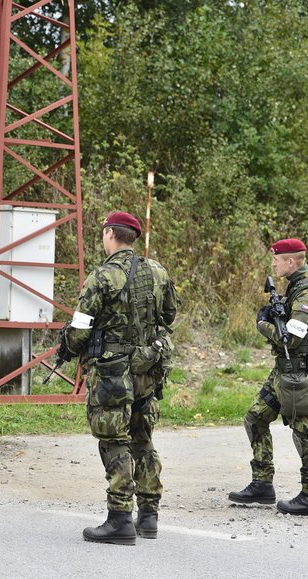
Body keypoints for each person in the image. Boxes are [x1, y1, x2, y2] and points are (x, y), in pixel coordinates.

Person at [59, 211, 178, 545]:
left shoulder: (102, 276)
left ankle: (120, 518)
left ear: (110, 234)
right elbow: (169, 314)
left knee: (114, 439)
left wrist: (68, 345)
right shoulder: (158, 271)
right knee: (143, 438)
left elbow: (80, 328)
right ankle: (149, 515)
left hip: (113, 373)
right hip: (148, 370)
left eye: (103, 233)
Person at [229, 238, 308, 515]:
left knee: (305, 432)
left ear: (292, 261)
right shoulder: (295, 286)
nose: (273, 264)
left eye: (277, 259)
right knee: (255, 418)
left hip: (298, 374)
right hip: (283, 371)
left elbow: (291, 339)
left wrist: (263, 324)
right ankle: (262, 484)